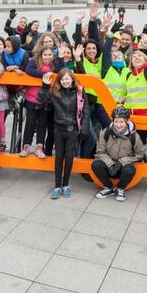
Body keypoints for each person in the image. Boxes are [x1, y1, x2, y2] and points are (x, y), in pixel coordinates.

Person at [39, 68, 90, 199]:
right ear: (59, 81)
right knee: (59, 157)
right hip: (58, 129)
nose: (65, 81)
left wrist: (84, 129)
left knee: (69, 158)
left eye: (67, 78)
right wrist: (45, 86)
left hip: (72, 129)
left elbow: (86, 111)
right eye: (62, 79)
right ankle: (57, 186)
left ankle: (65, 184)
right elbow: (41, 99)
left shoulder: (79, 91)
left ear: (72, 79)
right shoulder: (54, 92)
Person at [92, 106, 144, 202]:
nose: (118, 125)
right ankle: (109, 187)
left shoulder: (134, 136)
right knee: (96, 165)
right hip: (110, 164)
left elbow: (140, 154)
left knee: (130, 170)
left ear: (127, 121)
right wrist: (110, 164)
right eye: (116, 121)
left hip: (123, 166)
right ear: (113, 121)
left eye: (121, 122)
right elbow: (100, 151)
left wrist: (121, 162)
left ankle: (120, 188)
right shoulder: (106, 132)